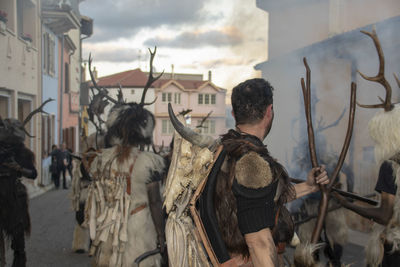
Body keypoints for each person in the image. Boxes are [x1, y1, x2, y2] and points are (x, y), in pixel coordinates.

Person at [166, 78, 329, 266]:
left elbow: (261, 200)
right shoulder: (251, 164)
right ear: (269, 112)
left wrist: (309, 186)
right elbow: (258, 242)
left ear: (234, 114)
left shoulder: (224, 151)